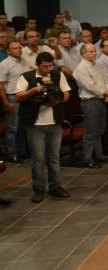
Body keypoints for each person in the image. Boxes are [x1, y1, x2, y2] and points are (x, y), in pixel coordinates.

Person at [15, 52, 71, 203]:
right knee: (38, 160)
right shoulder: (27, 77)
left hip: (54, 122)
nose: (48, 69)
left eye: (50, 65)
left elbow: (66, 94)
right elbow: (18, 96)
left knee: (54, 158)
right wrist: (34, 91)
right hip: (35, 124)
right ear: (37, 65)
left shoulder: (57, 75)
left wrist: (57, 101)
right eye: (45, 66)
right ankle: (39, 189)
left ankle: (56, 187)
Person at [73, 43, 108, 168]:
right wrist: (104, 92)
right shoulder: (80, 68)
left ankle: (99, 155)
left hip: (100, 100)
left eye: (95, 51)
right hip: (90, 102)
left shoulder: (97, 65)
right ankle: (87, 159)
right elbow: (89, 86)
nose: (94, 53)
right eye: (91, 51)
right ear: (83, 53)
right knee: (90, 132)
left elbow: (105, 80)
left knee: (100, 130)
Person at [0, 41, 31, 163]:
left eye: (19, 47)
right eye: (15, 48)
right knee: (12, 127)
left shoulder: (24, 61)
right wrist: (6, 102)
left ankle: (22, 151)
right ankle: (11, 153)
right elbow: (1, 85)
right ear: (8, 51)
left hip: (25, 96)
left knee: (23, 126)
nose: (18, 50)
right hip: (12, 97)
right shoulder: (4, 64)